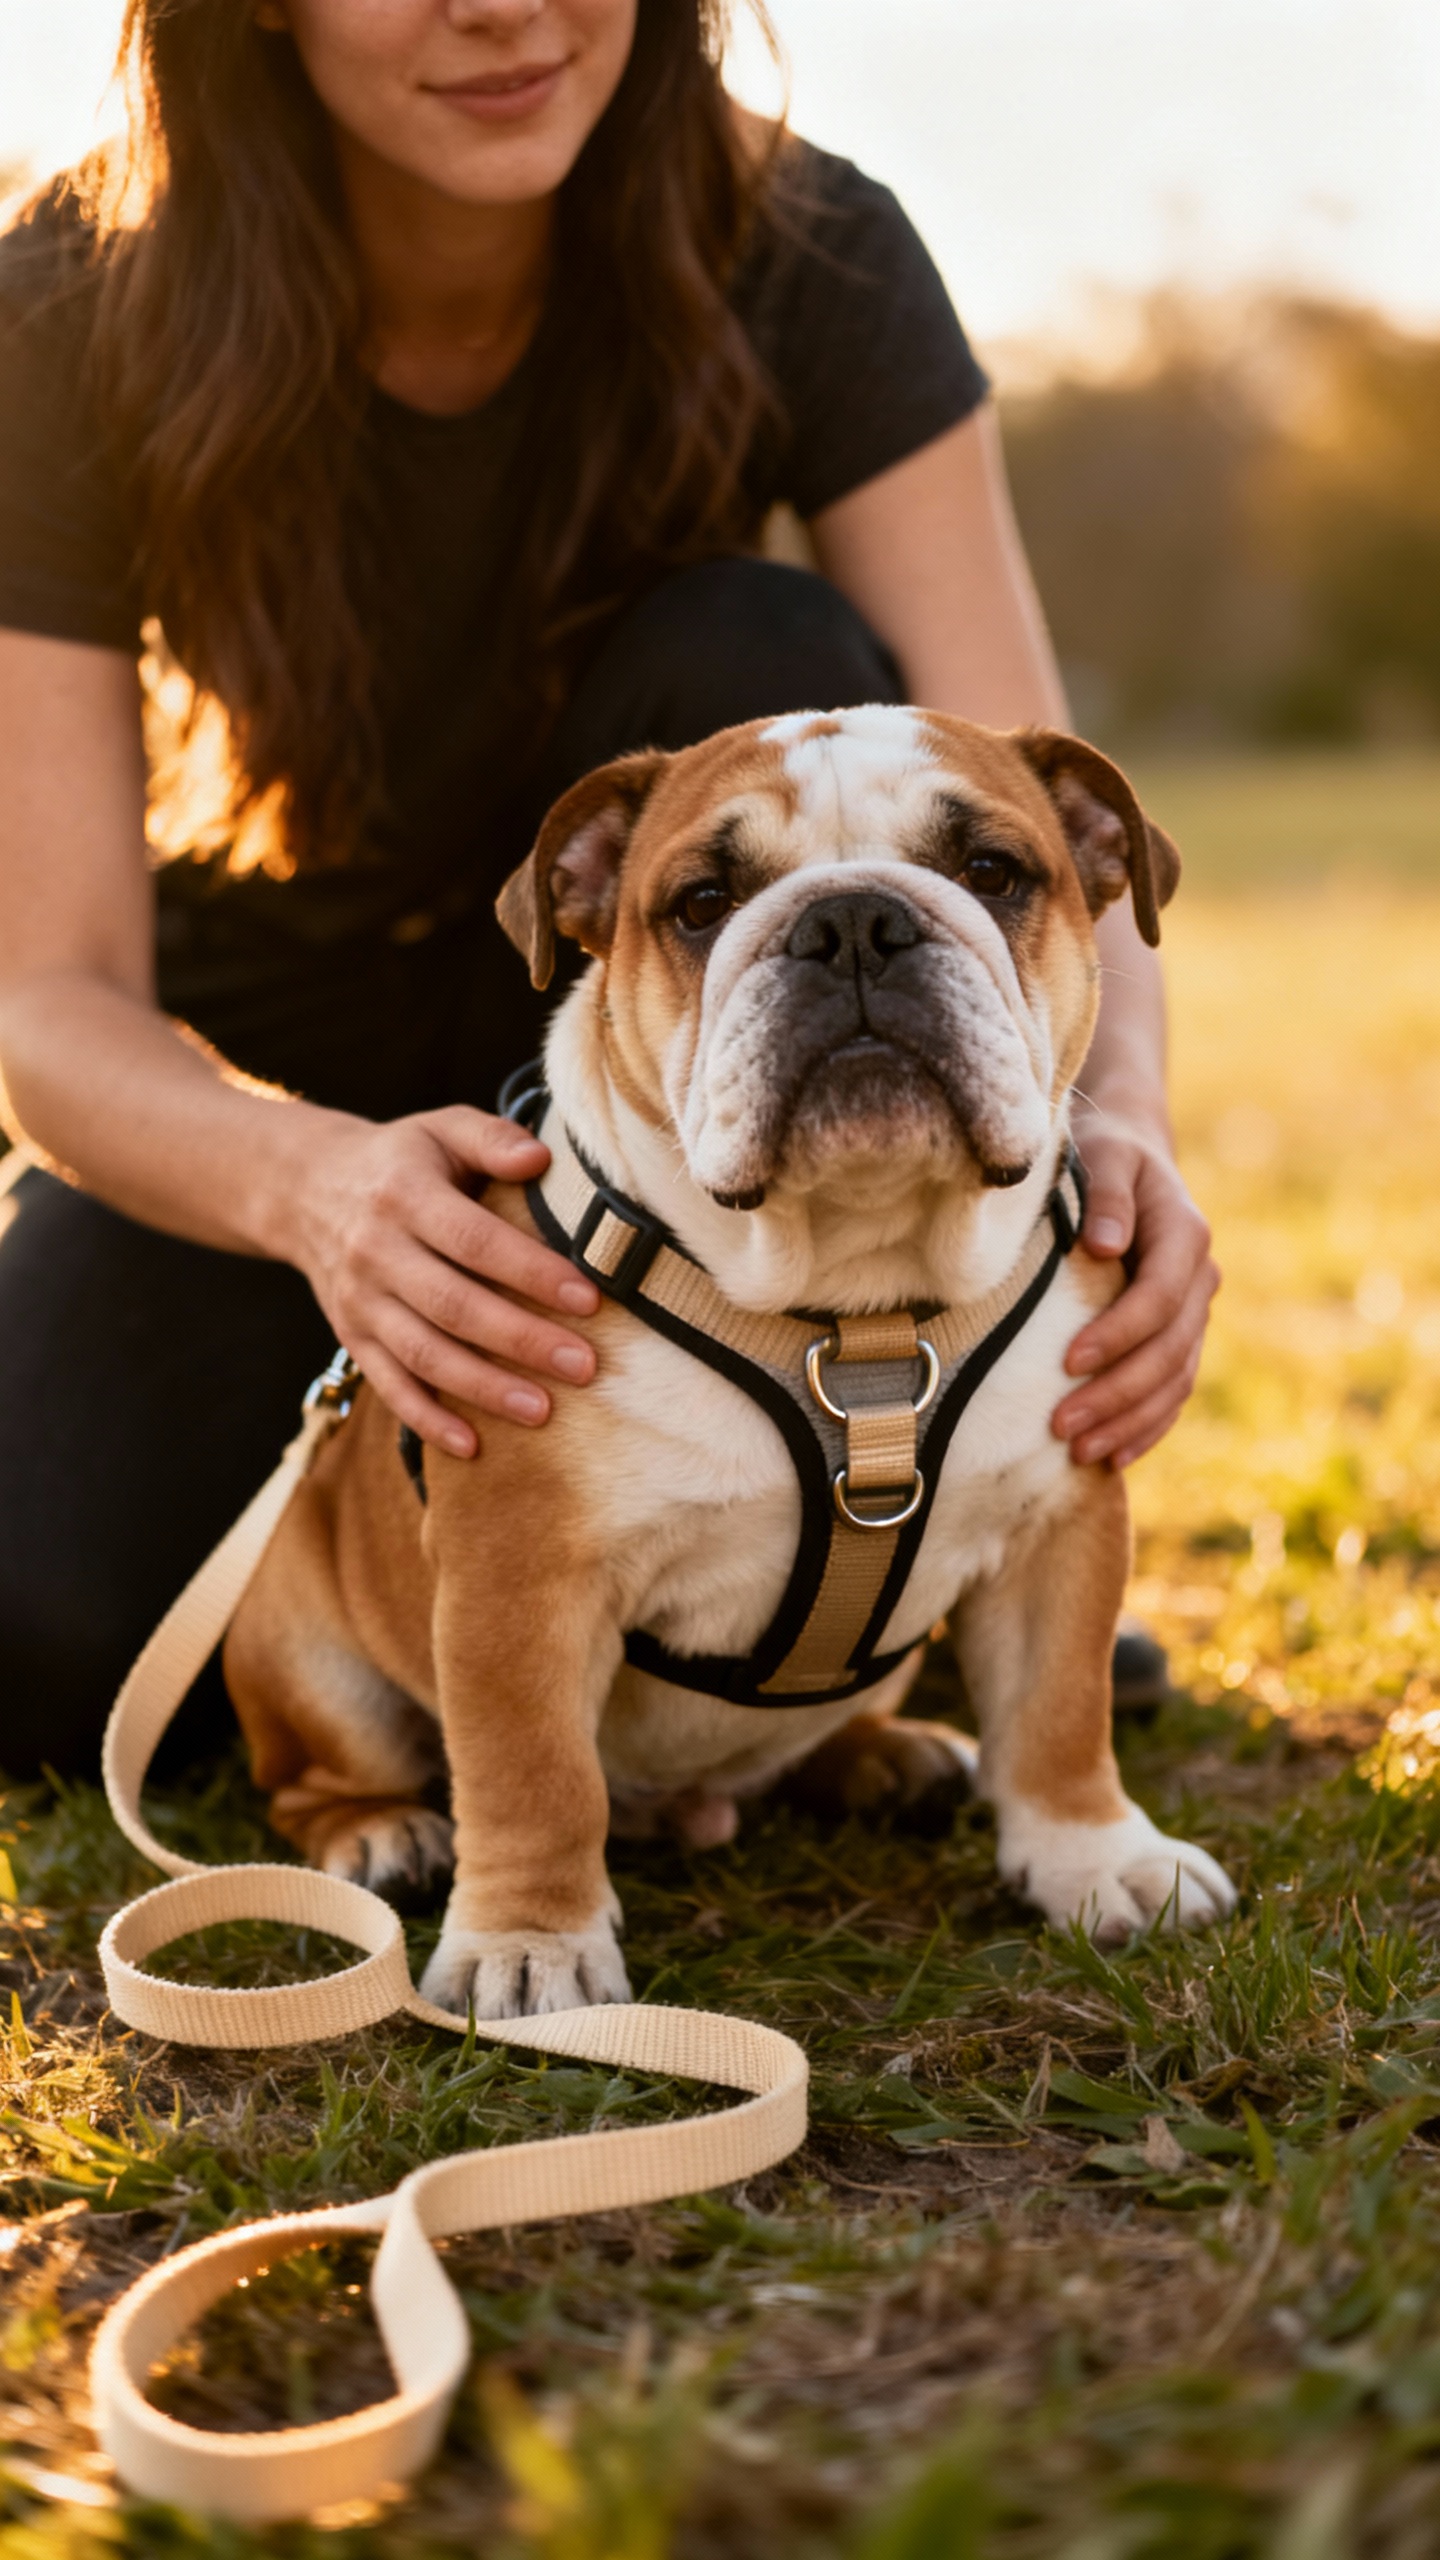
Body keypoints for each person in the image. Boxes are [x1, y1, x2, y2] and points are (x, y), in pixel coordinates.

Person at [0, 0, 1215, 1781]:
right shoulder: (68, 298)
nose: (502, 6)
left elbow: (1018, 811)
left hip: (683, 1026)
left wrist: (1128, 1121)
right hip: (270, 1078)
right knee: (45, 1656)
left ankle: (890, 1553)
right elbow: (48, 996)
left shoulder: (813, 242)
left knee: (765, 646)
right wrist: (320, 1190)